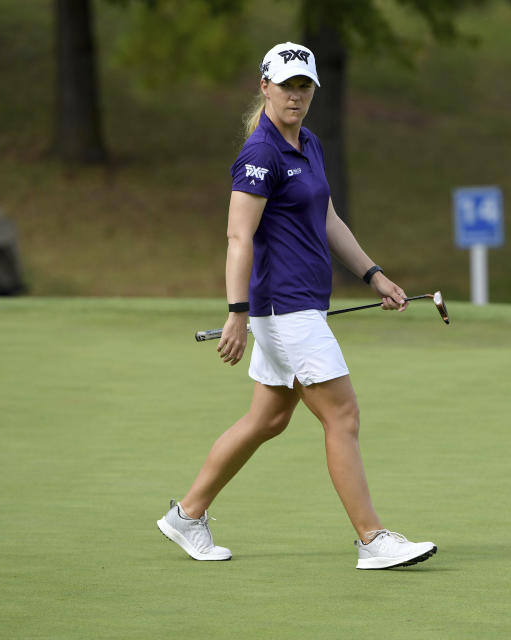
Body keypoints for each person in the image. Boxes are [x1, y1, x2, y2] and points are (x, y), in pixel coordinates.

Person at [157, 42, 437, 570]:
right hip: (285, 309)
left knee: (267, 419)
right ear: (264, 85)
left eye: (304, 86)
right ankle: (372, 539)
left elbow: (328, 216)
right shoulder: (260, 154)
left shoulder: (307, 143)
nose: (296, 95)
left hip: (299, 304)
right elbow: (238, 237)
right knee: (343, 416)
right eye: (286, 85)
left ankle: (186, 515)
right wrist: (237, 312)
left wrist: (373, 274)